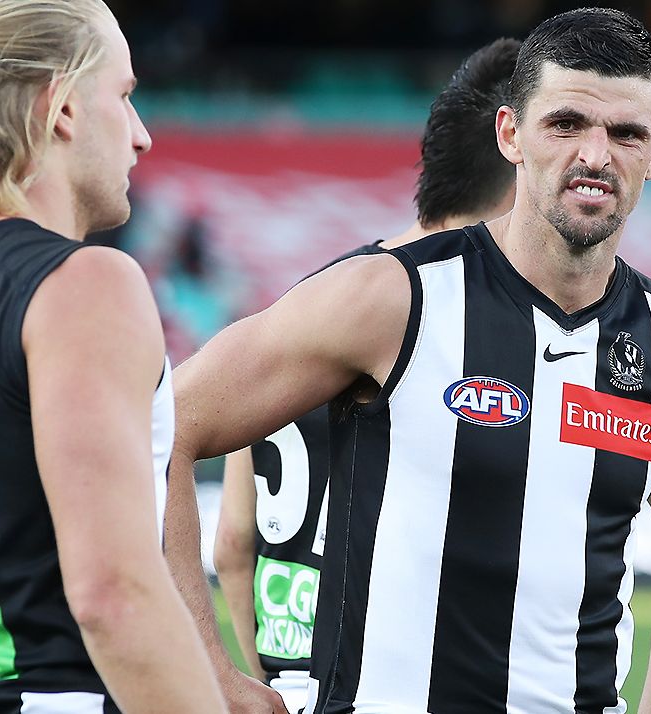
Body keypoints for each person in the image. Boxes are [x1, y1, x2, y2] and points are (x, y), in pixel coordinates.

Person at [167, 9, 651, 713]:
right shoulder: (392, 297)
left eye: (624, 134)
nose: (595, 155)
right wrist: (207, 675)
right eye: (565, 124)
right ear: (510, 134)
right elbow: (163, 425)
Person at [0, 1, 229, 712]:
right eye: (124, 98)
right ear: (61, 106)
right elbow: (113, 593)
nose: (142, 136)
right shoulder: (87, 282)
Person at [212, 36, 521, 712]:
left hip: (288, 682)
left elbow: (235, 545)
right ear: (516, 164)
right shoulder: (447, 321)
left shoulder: (303, 306)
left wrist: (253, 680)